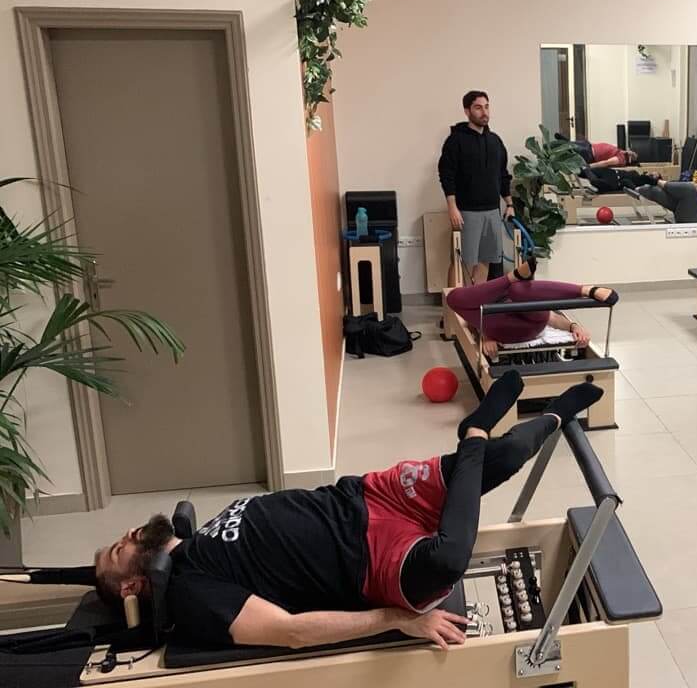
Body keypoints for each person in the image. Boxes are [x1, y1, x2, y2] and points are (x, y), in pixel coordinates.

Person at [93, 374, 604, 650]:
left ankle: (556, 413)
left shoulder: (197, 537)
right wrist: (398, 621)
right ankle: (474, 431)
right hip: (373, 564)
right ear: (134, 584)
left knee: (507, 457)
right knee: (450, 558)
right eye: (121, 548)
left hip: (369, 496)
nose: (130, 532)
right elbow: (290, 632)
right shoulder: (191, 592)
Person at [445, 257, 619, 359]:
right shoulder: (482, 303)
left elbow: (552, 318)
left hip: (529, 324)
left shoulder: (517, 294)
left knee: (517, 290)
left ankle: (586, 290)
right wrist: (486, 336)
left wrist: (574, 327)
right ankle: (512, 277)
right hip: (497, 327)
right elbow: (472, 321)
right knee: (452, 297)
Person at [439, 91, 514, 286]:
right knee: (461, 261)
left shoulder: (495, 141)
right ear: (467, 111)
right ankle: (453, 303)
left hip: (492, 211)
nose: (484, 112)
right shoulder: (455, 141)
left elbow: (503, 174)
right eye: (478, 107)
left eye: (486, 107)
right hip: (467, 212)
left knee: (485, 260)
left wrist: (509, 204)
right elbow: (446, 175)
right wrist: (452, 207)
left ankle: (477, 300)